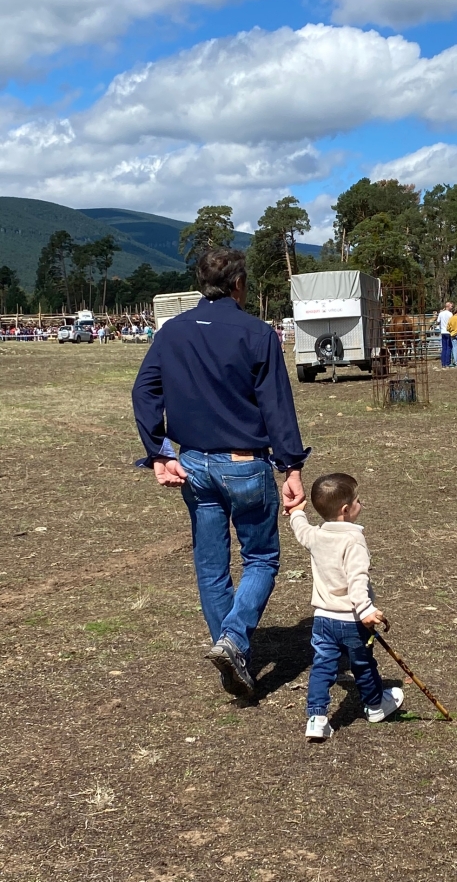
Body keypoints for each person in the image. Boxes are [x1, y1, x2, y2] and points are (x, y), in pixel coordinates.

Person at [131, 249, 310, 699]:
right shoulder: (256, 333)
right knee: (262, 558)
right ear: (237, 284)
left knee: (211, 564)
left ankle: (234, 655)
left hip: (192, 462)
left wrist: (157, 451)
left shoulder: (171, 332)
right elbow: (277, 404)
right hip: (244, 462)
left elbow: (144, 390)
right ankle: (233, 640)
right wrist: (291, 466)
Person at [289, 473, 404, 741]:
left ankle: (316, 718)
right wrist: (365, 610)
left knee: (322, 666)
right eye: (358, 500)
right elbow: (357, 579)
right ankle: (376, 706)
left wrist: (296, 513)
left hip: (322, 620)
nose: (361, 504)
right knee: (363, 664)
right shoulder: (353, 541)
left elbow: (301, 531)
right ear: (345, 510)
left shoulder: (317, 535)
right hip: (352, 621)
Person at [436, 302, 454, 369]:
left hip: (443, 332)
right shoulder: (450, 314)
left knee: (444, 348)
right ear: (448, 306)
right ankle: (447, 363)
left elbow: (437, 321)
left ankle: (443, 363)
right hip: (448, 332)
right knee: (449, 347)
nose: (452, 307)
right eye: (451, 306)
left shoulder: (441, 313)